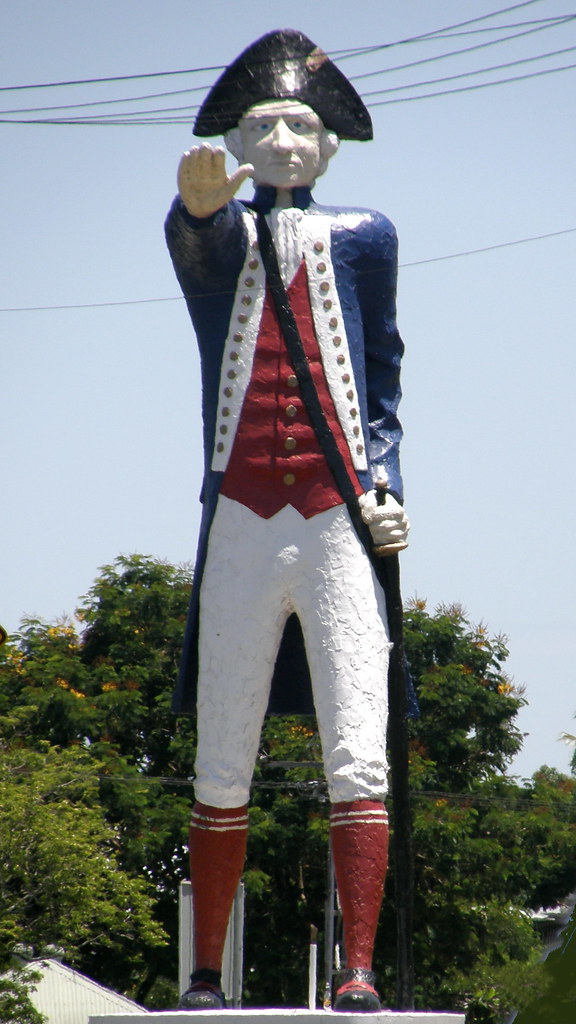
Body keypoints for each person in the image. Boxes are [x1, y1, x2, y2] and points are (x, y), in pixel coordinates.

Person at [165, 29, 409, 1012]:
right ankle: (207, 971)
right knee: (222, 747)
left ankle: (357, 969)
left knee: (360, 742)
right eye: (265, 122)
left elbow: (384, 374)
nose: (284, 138)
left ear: (329, 142)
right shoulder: (221, 228)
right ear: (238, 135)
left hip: (337, 513)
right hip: (239, 512)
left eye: (300, 123)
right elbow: (199, 255)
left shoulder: (367, 235)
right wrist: (194, 212)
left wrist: (386, 482)